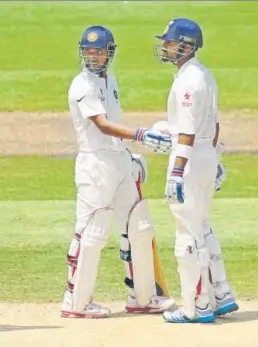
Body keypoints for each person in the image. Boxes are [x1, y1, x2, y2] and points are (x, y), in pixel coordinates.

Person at [60, 25, 175, 319]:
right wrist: (141, 135)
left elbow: (115, 123)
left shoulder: (109, 80)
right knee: (93, 231)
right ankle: (76, 303)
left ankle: (142, 297)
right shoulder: (82, 85)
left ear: (110, 53)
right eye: (88, 51)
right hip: (95, 165)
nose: (93, 57)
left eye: (99, 51)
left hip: (119, 160)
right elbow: (101, 124)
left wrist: (130, 153)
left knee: (140, 225)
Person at [152, 18, 238, 324]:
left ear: (186, 46)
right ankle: (222, 294)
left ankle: (197, 307)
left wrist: (177, 171)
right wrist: (214, 160)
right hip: (204, 155)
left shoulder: (188, 81)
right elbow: (213, 126)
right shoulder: (203, 73)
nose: (164, 46)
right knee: (201, 225)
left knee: (186, 235)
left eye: (170, 41)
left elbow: (186, 132)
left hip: (188, 158)